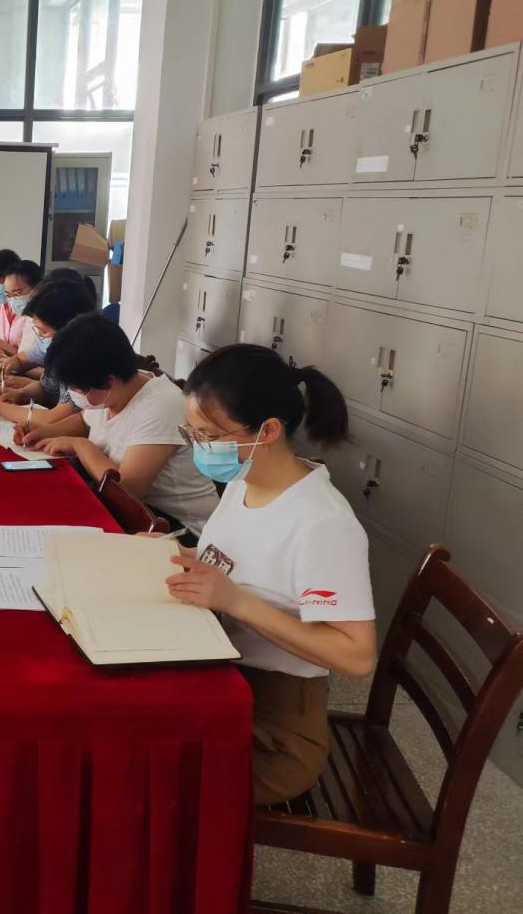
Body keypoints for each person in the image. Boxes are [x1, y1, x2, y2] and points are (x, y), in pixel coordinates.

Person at [167, 343, 376, 805]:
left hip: (276, 729)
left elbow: (357, 657)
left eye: (210, 435)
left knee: (139, 770)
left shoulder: (322, 523)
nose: (200, 446)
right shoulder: (244, 481)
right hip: (225, 679)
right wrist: (174, 553)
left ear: (269, 430)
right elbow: (231, 560)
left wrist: (236, 602)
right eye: (193, 432)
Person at [30, 314, 220, 536]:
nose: (74, 395)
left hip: (177, 529)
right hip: (129, 515)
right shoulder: (112, 394)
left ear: (109, 381)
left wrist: (81, 446)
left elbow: (125, 490)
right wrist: (43, 432)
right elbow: (84, 421)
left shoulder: (161, 404)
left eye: (78, 389)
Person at [0, 278, 94, 433]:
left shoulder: (85, 361)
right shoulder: (58, 349)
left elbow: (53, 419)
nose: (40, 337)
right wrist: (21, 393)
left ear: (68, 327)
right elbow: (47, 387)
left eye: (43, 331)